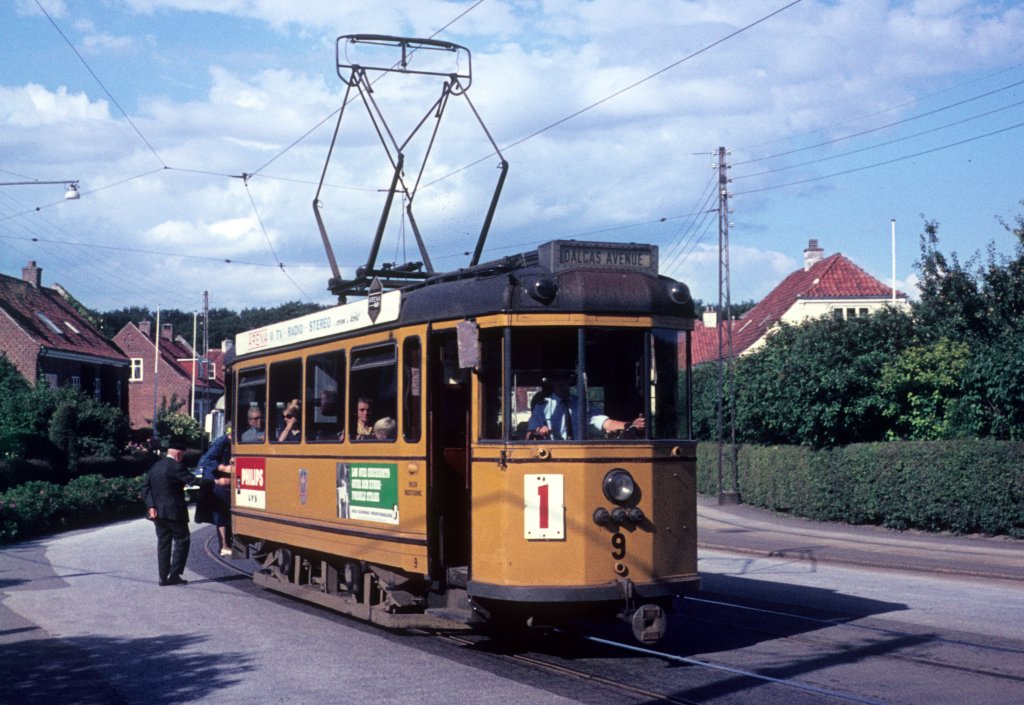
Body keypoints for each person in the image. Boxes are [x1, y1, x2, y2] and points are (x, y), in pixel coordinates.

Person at [141, 440, 206, 586]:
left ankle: (162, 577)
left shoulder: (155, 467)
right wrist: (216, 483)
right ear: (178, 453)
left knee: (163, 543)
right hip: (174, 512)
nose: (182, 458)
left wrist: (151, 506)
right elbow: (193, 480)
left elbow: (145, 489)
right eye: (182, 455)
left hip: (158, 514)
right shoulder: (176, 466)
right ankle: (174, 575)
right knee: (183, 540)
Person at [526, 371, 644, 440]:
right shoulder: (541, 407)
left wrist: (630, 425)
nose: (562, 382)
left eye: (565, 378)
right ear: (552, 382)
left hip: (579, 454)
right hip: (552, 457)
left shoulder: (582, 404)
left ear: (570, 381)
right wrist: (539, 431)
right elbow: (529, 435)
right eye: (557, 379)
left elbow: (606, 423)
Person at [195, 430, 234, 556]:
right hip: (216, 482)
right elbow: (205, 460)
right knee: (221, 511)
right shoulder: (221, 442)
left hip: (227, 481)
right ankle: (224, 545)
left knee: (226, 511)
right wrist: (224, 468)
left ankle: (227, 543)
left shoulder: (232, 442)